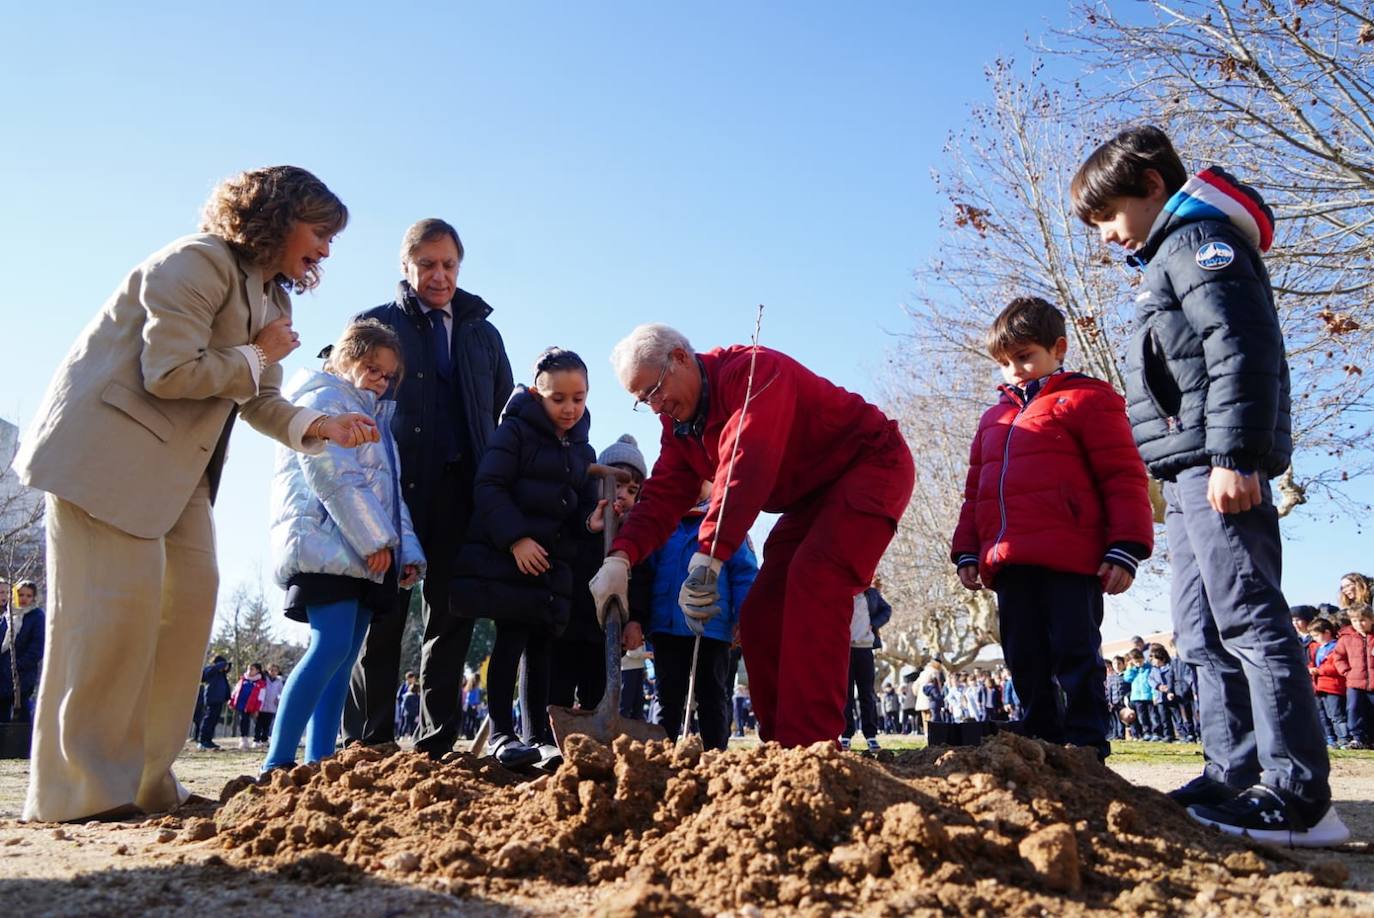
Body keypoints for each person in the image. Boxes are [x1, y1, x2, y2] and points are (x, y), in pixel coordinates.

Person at [13, 166, 377, 823]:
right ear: (276, 215)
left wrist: (317, 425)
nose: (326, 248)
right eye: (320, 230)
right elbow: (171, 372)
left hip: (176, 479)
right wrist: (257, 354)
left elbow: (258, 399)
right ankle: (82, 793)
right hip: (107, 459)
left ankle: (149, 781)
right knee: (110, 622)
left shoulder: (275, 300)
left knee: (185, 614)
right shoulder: (195, 262)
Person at [1074, 125, 1345, 845]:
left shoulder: (1196, 246)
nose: (1101, 236)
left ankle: (1298, 797)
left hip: (1217, 462)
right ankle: (1232, 770)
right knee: (1200, 630)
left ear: (1153, 188)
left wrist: (1235, 453)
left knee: (1250, 620)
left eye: (1106, 217)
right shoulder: (1162, 259)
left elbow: (1241, 346)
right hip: (1187, 464)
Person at [590, 325, 914, 747]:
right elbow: (664, 493)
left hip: (872, 466)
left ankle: (812, 747)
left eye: (654, 390)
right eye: (642, 401)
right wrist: (621, 555)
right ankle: (780, 744)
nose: (655, 407)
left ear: (681, 359)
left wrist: (710, 554)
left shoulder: (753, 374)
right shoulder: (678, 427)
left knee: (815, 580)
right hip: (814, 497)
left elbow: (746, 463)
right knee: (762, 611)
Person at [951, 296, 1153, 760]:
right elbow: (976, 492)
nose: (1014, 370)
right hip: (1010, 559)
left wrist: (1125, 546)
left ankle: (1086, 744)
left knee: (1075, 651)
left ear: (1057, 349)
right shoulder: (992, 420)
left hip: (1071, 556)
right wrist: (967, 550)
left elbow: (1121, 476)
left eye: (1024, 356)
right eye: (1004, 362)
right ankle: (1039, 739)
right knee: (1023, 656)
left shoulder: (1088, 399)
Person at [347, 218, 514, 756]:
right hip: (392, 491)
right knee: (382, 612)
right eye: (426, 265)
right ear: (406, 266)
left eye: (448, 265)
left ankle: (436, 738)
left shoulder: (483, 334)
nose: (438, 276)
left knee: (452, 612)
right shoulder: (375, 326)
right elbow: (343, 394)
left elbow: (503, 411)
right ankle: (368, 737)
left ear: (459, 267)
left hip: (462, 492)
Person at [261, 320, 425, 773]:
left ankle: (320, 761)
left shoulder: (374, 418)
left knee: (343, 659)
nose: (379, 380)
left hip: (363, 558)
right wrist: (375, 539)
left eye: (387, 375)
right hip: (327, 548)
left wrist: (405, 550)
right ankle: (276, 762)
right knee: (328, 649)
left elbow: (389, 495)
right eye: (371, 367)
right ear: (344, 358)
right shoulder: (323, 400)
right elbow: (332, 475)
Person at [451, 348, 598, 768]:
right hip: (511, 558)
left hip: (553, 564)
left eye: (579, 398)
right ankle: (502, 733)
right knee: (511, 639)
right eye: (558, 399)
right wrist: (516, 539)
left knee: (542, 646)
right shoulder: (514, 432)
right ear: (537, 394)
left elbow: (580, 509)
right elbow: (489, 486)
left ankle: (539, 736)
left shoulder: (582, 450)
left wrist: (593, 522)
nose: (569, 408)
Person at [633, 480, 759, 751]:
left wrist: (743, 617)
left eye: (701, 478)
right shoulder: (663, 524)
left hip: (711, 626)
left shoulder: (726, 524)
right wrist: (639, 619)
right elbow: (646, 573)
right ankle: (660, 753)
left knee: (712, 692)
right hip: (667, 627)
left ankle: (716, 752)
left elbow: (744, 573)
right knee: (668, 695)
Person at [551, 434, 647, 714]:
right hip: (568, 625)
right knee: (558, 691)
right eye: (616, 485)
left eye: (632, 490)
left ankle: (597, 742)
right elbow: (565, 556)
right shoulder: (578, 518)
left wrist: (636, 620)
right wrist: (592, 529)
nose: (623, 495)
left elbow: (641, 582)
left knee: (599, 694)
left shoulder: (637, 537)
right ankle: (551, 745)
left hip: (606, 633)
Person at [840, 578, 892, 752]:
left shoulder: (871, 594)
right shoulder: (842, 592)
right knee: (845, 694)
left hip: (865, 648)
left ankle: (870, 735)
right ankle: (846, 734)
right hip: (844, 649)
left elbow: (887, 610)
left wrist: (873, 623)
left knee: (867, 694)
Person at [1, 581, 45, 723]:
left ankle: (23, 743)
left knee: (21, 712)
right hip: (3, 672)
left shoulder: (36, 616)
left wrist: (18, 666)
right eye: (20, 595)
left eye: (28, 595)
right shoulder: (8, 614)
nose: (24, 599)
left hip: (22, 674)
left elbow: (37, 647)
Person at [1331, 604, 1373, 749]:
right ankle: (1357, 737)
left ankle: (1371, 739)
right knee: (1354, 709)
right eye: (1355, 621)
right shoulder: (1346, 638)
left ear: (1371, 620)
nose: (1359, 624)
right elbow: (1338, 657)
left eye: (1362, 620)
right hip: (1354, 682)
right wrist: (1346, 672)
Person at [1307, 619, 1348, 749]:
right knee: (1323, 715)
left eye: (1316, 635)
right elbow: (1312, 662)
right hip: (1319, 686)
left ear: (1327, 632)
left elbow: (1335, 666)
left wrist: (1319, 670)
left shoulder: (1336, 646)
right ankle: (1330, 738)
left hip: (1333, 686)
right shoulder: (1316, 648)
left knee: (1337, 715)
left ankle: (1344, 738)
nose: (1314, 639)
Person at [197, 655, 232, 751]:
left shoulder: (222, 675)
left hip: (219, 700)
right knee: (208, 720)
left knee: (213, 721)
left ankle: (209, 740)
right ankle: (202, 741)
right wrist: (221, 665)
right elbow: (203, 676)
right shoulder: (210, 670)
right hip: (211, 699)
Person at [229, 664, 265, 750]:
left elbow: (261, 697)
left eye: (252, 669)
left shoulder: (260, 683)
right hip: (241, 705)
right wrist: (231, 701)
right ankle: (243, 738)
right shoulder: (242, 679)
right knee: (243, 721)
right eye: (248, 668)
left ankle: (257, 739)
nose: (249, 671)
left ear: (257, 671)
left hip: (253, 706)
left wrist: (257, 709)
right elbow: (235, 691)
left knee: (256, 722)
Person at [255, 664, 284, 747]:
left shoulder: (279, 682)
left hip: (272, 707)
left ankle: (264, 739)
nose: (273, 672)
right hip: (262, 706)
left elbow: (281, 693)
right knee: (259, 724)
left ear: (278, 672)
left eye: (275, 670)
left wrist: (278, 699)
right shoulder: (264, 679)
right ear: (268, 670)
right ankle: (256, 740)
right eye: (271, 670)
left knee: (267, 725)